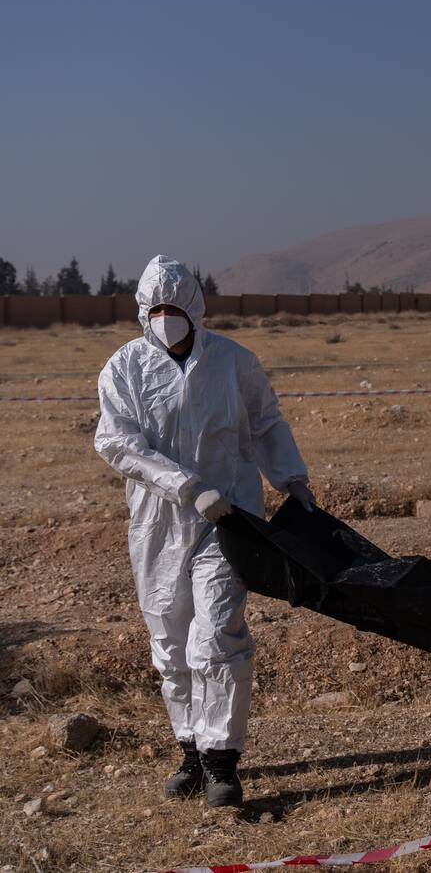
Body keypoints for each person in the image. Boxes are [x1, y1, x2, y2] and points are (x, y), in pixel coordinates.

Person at [95, 255, 315, 807]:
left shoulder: (234, 363)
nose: (167, 318)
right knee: (170, 644)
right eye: (157, 309)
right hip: (159, 525)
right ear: (144, 312)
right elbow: (118, 444)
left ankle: (222, 762)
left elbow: (265, 422)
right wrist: (187, 486)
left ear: (195, 309)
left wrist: (292, 479)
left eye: (175, 308)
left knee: (216, 635)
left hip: (230, 521)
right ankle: (189, 749)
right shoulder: (123, 370)